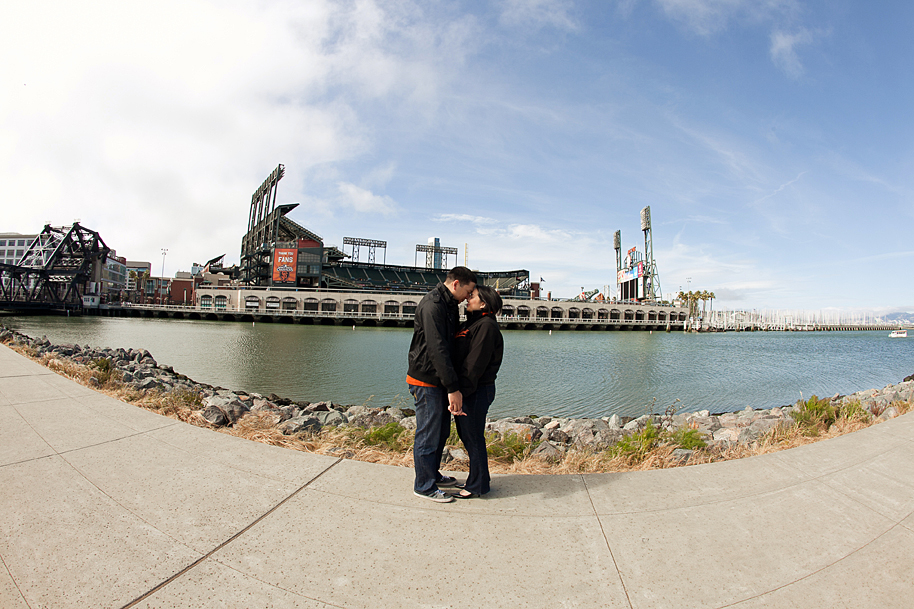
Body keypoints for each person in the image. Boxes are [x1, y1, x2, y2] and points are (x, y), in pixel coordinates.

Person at [407, 266, 477, 502]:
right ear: (456, 284)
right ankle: (424, 486)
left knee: (440, 432)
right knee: (428, 433)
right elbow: (437, 350)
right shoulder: (433, 305)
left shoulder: (448, 304)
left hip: (437, 379)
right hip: (425, 379)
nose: (468, 297)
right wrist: (453, 388)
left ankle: (432, 474)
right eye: (468, 291)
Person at [451, 284, 503, 499]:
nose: (467, 299)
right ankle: (479, 478)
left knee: (473, 437)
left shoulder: (487, 326)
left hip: (476, 390)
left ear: (483, 303)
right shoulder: (473, 323)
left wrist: (459, 394)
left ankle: (478, 485)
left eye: (471, 296)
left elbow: (475, 365)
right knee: (467, 435)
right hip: (470, 390)